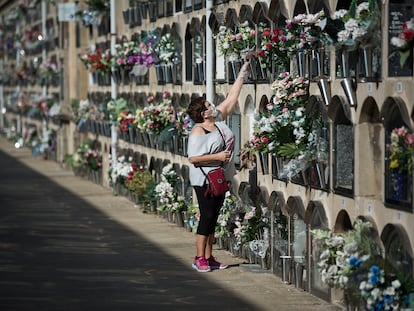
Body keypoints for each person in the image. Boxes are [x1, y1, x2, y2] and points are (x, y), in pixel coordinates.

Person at [186, 61, 250, 272]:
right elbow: (193, 159)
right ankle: (198, 258)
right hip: (204, 178)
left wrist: (242, 72)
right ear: (204, 114)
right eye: (208, 106)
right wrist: (219, 155)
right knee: (206, 216)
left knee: (214, 216)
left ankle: (209, 256)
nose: (213, 106)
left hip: (219, 176)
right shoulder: (198, 131)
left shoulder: (218, 120)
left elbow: (232, 98)